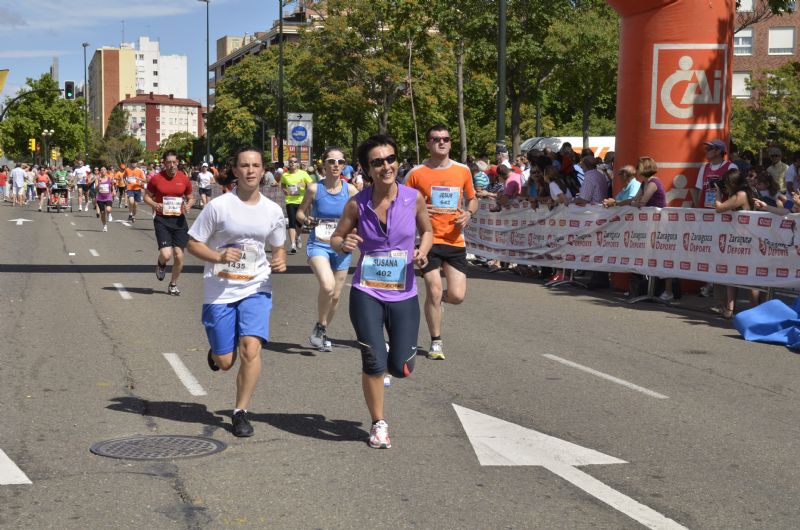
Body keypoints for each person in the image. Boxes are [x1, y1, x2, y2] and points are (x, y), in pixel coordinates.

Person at [330, 134, 432, 448]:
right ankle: (378, 423)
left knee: (401, 367)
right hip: (367, 291)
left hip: (404, 292)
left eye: (390, 159)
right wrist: (344, 243)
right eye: (378, 162)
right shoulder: (356, 202)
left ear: (397, 162)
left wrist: (423, 251)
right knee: (373, 361)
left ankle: (392, 353)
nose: (386, 166)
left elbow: (427, 230)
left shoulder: (413, 197)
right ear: (367, 169)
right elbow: (336, 238)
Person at [187, 145, 287, 437]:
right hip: (220, 289)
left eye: (256, 165)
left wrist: (279, 257)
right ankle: (217, 352)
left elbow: (277, 244)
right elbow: (193, 243)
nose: (251, 171)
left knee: (251, 349)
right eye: (244, 165)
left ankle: (240, 411)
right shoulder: (219, 206)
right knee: (226, 362)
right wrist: (218, 257)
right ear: (235, 170)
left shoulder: (272, 210)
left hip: (256, 285)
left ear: (263, 169)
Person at [405, 125, 477, 360]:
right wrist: (419, 209)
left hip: (455, 240)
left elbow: (473, 199)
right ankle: (436, 341)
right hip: (427, 239)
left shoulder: (463, 170)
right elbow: (401, 203)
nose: (441, 142)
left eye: (445, 138)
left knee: (457, 295)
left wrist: (468, 213)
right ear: (427, 143)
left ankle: (437, 303)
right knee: (433, 290)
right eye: (436, 139)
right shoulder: (417, 173)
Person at [296, 147, 358, 352]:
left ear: (345, 165)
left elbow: (363, 214)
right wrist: (307, 219)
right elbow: (299, 213)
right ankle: (320, 330)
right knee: (328, 285)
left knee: (336, 295)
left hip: (341, 246)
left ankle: (321, 328)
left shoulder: (350, 191)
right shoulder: (315, 189)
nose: (336, 165)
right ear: (324, 164)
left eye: (340, 162)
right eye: (331, 161)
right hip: (319, 244)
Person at [144, 150, 195, 295]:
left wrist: (189, 205)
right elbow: (146, 196)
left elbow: (191, 197)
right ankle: (161, 264)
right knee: (166, 255)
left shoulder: (184, 179)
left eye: (174, 162)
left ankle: (173, 284)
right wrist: (155, 205)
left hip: (179, 220)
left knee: (179, 255)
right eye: (168, 162)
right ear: (164, 163)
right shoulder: (156, 179)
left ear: (177, 162)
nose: (171, 165)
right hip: (162, 219)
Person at [715, 168, 756, 318]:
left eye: (726, 183)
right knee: (732, 274)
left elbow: (719, 208)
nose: (725, 186)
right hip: (739, 239)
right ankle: (730, 309)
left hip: (744, 240)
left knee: (749, 278)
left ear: (732, 182)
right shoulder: (744, 192)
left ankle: (754, 310)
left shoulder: (741, 194)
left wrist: (718, 193)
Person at [281, 156, 313, 254]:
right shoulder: (285, 175)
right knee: (291, 221)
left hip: (301, 201)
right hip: (290, 201)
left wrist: (304, 186)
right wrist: (285, 190)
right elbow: (282, 185)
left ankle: (298, 236)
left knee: (299, 223)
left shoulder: (303, 173)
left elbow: (311, 185)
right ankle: (293, 245)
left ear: (298, 163)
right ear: (288, 163)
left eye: (295, 162)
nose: (293, 163)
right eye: (291, 162)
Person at [692, 139, 736, 209]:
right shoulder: (704, 168)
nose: (706, 151)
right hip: (704, 212)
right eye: (706, 148)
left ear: (718, 151)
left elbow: (735, 191)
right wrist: (698, 208)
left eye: (709, 148)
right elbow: (700, 190)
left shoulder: (731, 167)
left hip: (722, 211)